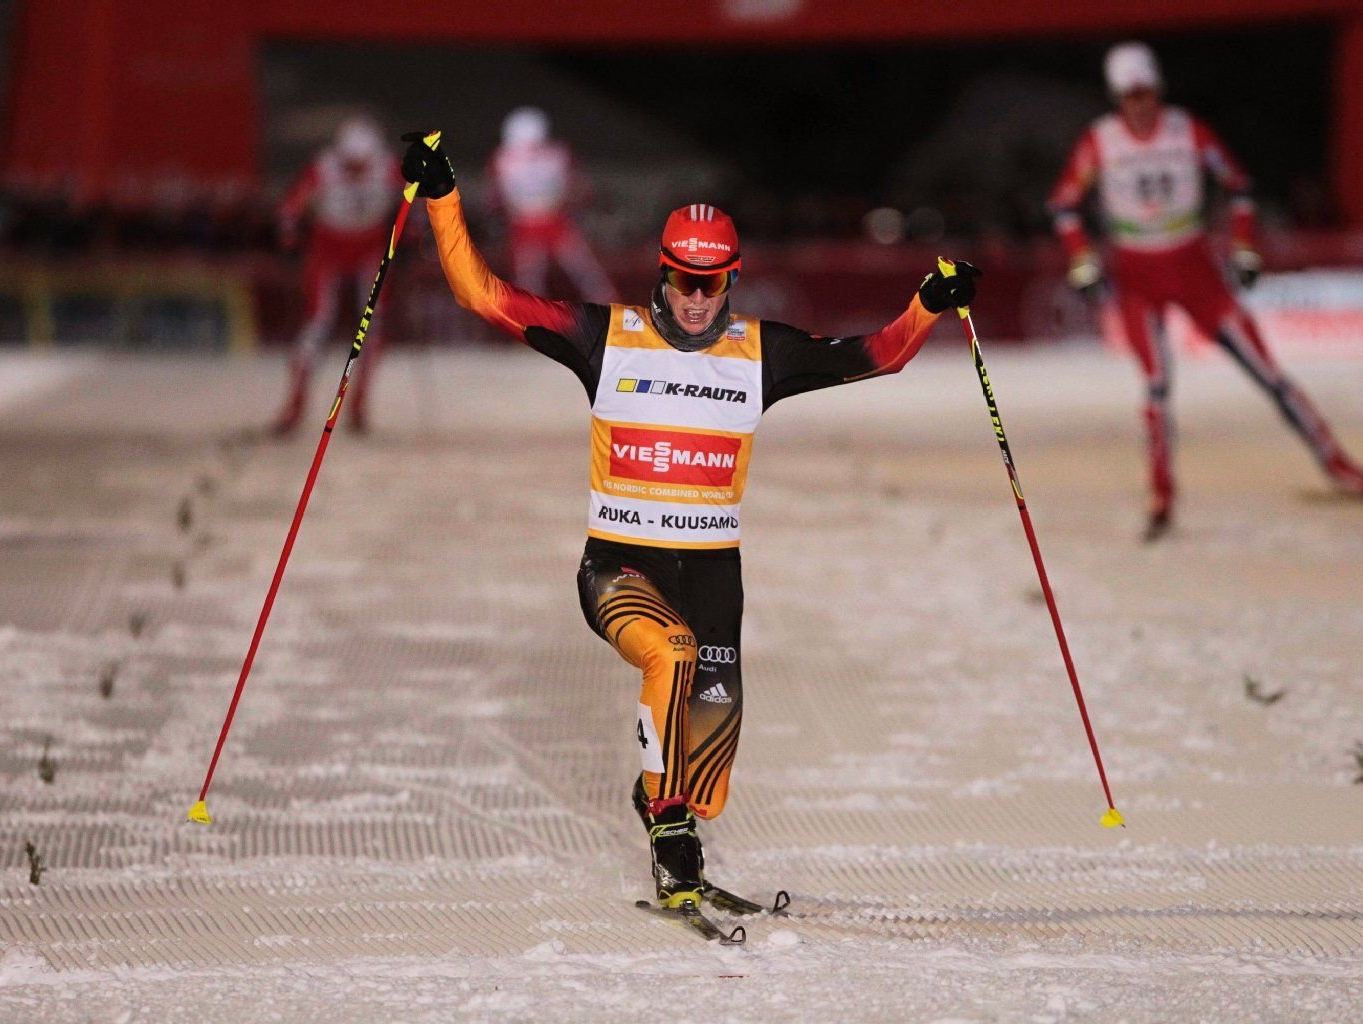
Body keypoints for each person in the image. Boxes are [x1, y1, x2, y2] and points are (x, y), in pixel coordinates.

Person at [401, 132, 976, 912]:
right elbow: (481, 293)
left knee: (705, 778)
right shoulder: (603, 337)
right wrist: (442, 196)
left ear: (731, 280)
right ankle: (668, 833)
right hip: (618, 566)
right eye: (681, 280)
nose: (694, 297)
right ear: (662, 273)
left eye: (709, 283)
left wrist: (927, 304)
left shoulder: (759, 353)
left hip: (711, 575)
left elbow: (878, 354)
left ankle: (668, 804)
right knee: (666, 659)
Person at [1049, 42, 1363, 540]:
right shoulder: (1099, 141)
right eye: (1129, 96)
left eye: (1145, 92)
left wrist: (1244, 249)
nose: (1139, 105)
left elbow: (1240, 186)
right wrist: (1082, 261)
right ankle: (1161, 494)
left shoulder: (1187, 131)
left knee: (1269, 373)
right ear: (1117, 97)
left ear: (1158, 90)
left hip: (1196, 271)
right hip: (1137, 276)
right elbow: (1063, 205)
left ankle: (1339, 465)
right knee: (1157, 386)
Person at [271, 117, 401, 435]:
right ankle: (295, 406)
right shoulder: (324, 167)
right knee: (318, 325)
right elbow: (290, 206)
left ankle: (358, 407)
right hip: (327, 251)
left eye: (361, 165)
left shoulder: (388, 167)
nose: (355, 172)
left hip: (369, 250)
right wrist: (289, 236)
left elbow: (416, 201)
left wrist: (415, 232)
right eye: (350, 165)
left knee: (374, 324)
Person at [487, 107, 616, 302]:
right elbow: (579, 187)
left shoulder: (504, 159)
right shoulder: (557, 153)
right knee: (536, 275)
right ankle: (532, 317)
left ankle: (608, 307)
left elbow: (496, 198)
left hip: (549, 221)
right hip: (532, 223)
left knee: (580, 270)